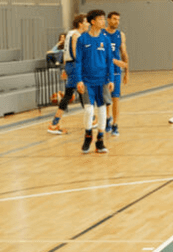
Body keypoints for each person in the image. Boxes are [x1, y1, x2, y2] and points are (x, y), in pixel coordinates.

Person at [73, 9, 115, 153]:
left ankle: (100, 140)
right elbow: (78, 61)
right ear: (93, 22)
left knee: (102, 110)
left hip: (102, 80)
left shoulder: (105, 39)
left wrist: (111, 79)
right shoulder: (82, 39)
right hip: (87, 81)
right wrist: (79, 80)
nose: (104, 21)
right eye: (101, 19)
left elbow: (110, 61)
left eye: (104, 19)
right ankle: (88, 136)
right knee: (89, 110)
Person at [48, 15, 89, 135]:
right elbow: (76, 53)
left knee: (68, 95)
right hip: (76, 66)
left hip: (70, 66)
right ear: (80, 24)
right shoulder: (76, 35)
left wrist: (65, 69)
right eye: (86, 22)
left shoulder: (70, 34)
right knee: (83, 93)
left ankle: (54, 123)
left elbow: (66, 53)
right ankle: (91, 120)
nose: (88, 24)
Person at [104, 11, 129, 136]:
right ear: (108, 20)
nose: (116, 22)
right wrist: (115, 61)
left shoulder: (120, 35)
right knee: (106, 98)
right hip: (104, 71)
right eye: (114, 19)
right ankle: (107, 118)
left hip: (116, 72)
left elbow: (124, 53)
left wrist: (127, 72)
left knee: (116, 98)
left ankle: (115, 123)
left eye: (118, 19)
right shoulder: (102, 34)